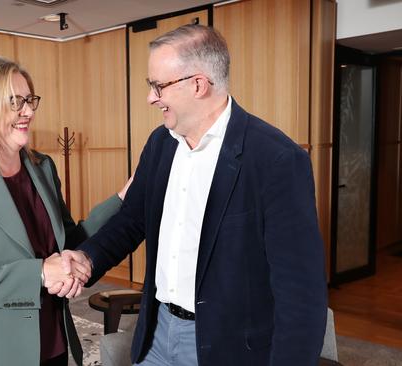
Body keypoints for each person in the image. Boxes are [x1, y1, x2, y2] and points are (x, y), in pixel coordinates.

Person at [57, 24, 328, 365]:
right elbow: (132, 220)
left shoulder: (276, 159)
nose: (151, 98)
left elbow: (300, 293)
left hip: (229, 347)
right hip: (156, 332)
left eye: (158, 86)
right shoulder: (159, 144)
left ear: (198, 84)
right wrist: (89, 258)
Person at [0, 56, 131, 366]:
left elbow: (67, 243)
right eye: (16, 102)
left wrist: (123, 197)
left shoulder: (42, 167)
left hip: (54, 338)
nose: (29, 111)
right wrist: (39, 272)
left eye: (30, 100)